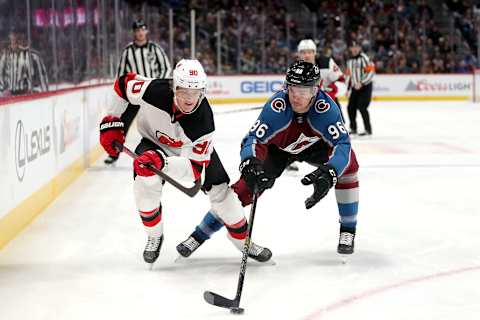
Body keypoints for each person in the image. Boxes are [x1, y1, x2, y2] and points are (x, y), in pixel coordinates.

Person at [177, 61, 360, 258]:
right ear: (286, 86)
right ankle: (199, 235)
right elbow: (254, 139)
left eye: (304, 90)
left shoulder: (327, 109)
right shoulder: (276, 107)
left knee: (349, 167)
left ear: (316, 90)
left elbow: (342, 144)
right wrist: (250, 162)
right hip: (278, 150)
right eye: (293, 88)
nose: (297, 95)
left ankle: (348, 230)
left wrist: (331, 171)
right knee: (243, 190)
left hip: (317, 147)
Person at [99, 59, 272, 265]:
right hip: (152, 143)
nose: (190, 99)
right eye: (184, 91)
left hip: (190, 156)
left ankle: (243, 241)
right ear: (174, 87)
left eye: (196, 92)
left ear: (203, 90)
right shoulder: (153, 90)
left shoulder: (203, 121)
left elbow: (193, 171)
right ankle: (155, 236)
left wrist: (162, 163)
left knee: (223, 194)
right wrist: (111, 119)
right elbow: (122, 84)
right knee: (144, 187)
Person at [104, 19, 172, 165]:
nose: (140, 33)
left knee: (160, 124)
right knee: (122, 123)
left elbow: (166, 68)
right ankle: (114, 153)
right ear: (134, 32)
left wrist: (157, 86)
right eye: (137, 30)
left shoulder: (155, 48)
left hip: (153, 95)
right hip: (135, 95)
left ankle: (166, 153)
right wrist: (123, 93)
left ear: (146, 31)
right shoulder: (128, 51)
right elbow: (122, 74)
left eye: (143, 29)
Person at [0, 30, 48, 96]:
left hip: (28, 93)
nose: (14, 42)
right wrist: (3, 90)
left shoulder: (33, 55)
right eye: (12, 39)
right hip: (10, 94)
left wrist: (45, 94)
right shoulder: (6, 55)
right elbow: (1, 73)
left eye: (17, 39)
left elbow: (42, 75)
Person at [345, 40, 375, 136]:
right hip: (355, 87)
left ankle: (368, 129)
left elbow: (371, 72)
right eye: (352, 47)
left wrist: (362, 83)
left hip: (365, 87)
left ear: (360, 48)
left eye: (356, 47)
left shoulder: (364, 58)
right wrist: (348, 89)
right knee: (350, 107)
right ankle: (353, 128)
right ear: (350, 49)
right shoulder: (349, 61)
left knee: (362, 107)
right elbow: (349, 76)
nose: (354, 49)